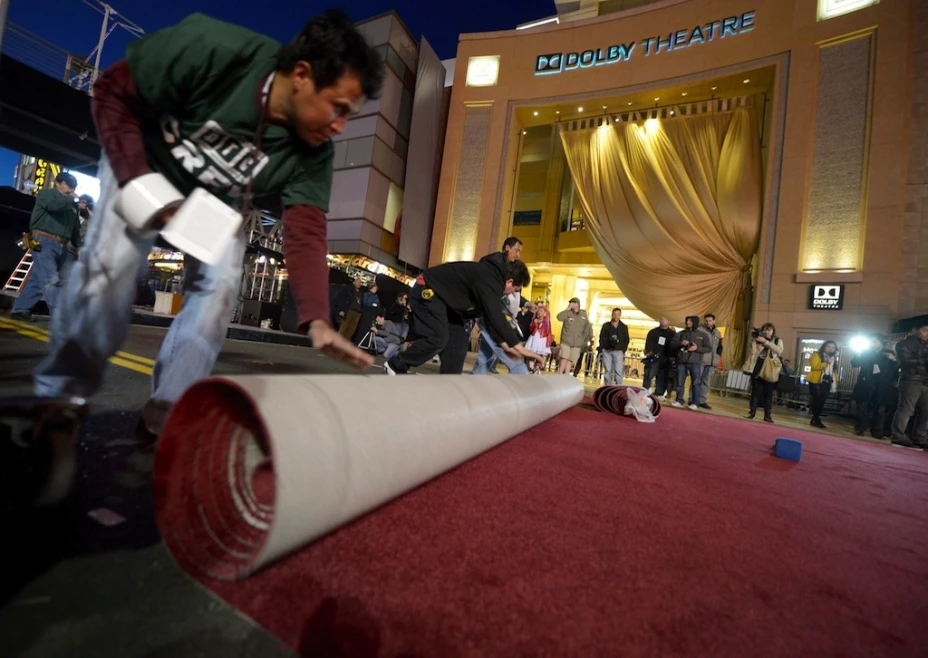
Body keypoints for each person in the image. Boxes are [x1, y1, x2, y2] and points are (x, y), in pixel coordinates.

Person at [30, 10, 384, 438]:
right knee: (111, 268)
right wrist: (143, 186)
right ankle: (62, 395)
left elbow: (306, 227)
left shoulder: (314, 152)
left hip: (213, 201)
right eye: (338, 107)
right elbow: (113, 92)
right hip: (147, 162)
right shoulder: (216, 51)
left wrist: (318, 318)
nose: (340, 126)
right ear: (302, 75)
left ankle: (168, 411)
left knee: (216, 291)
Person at [383, 255, 543, 375]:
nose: (511, 293)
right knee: (438, 338)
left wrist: (505, 344)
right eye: (515, 289)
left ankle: (448, 389)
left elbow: (489, 319)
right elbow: (496, 314)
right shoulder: (488, 278)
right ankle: (396, 364)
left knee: (457, 348)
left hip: (448, 305)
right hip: (428, 290)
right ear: (509, 281)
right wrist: (519, 346)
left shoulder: (491, 285)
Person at [10, 172, 81, 322]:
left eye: (74, 187)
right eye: (69, 186)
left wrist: (79, 247)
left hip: (62, 245)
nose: (72, 189)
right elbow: (54, 206)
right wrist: (70, 199)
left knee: (38, 279)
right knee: (51, 279)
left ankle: (20, 309)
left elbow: (75, 228)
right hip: (44, 241)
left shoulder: (71, 204)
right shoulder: (47, 194)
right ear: (58, 183)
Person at [890, 323, 928, 449]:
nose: (927, 334)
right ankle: (898, 436)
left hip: (926, 381)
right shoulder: (904, 344)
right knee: (906, 409)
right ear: (915, 330)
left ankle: (920, 437)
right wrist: (924, 358)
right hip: (911, 380)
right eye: (925, 330)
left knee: (926, 411)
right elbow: (905, 361)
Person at [741, 323, 785, 423]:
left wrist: (766, 342)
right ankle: (752, 412)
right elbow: (753, 352)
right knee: (755, 392)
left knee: (768, 393)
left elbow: (779, 351)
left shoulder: (777, 340)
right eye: (765, 330)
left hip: (770, 368)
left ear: (773, 331)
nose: (766, 332)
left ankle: (767, 415)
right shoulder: (758, 339)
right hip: (757, 366)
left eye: (769, 330)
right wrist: (754, 341)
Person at [806, 340, 839, 429]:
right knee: (817, 400)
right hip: (816, 380)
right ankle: (816, 418)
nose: (831, 349)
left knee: (822, 401)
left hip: (827, 381)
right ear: (824, 347)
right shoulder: (816, 354)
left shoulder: (833, 358)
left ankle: (815, 418)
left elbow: (833, 370)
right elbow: (814, 366)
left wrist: (836, 380)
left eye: (833, 348)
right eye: (829, 347)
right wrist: (826, 363)